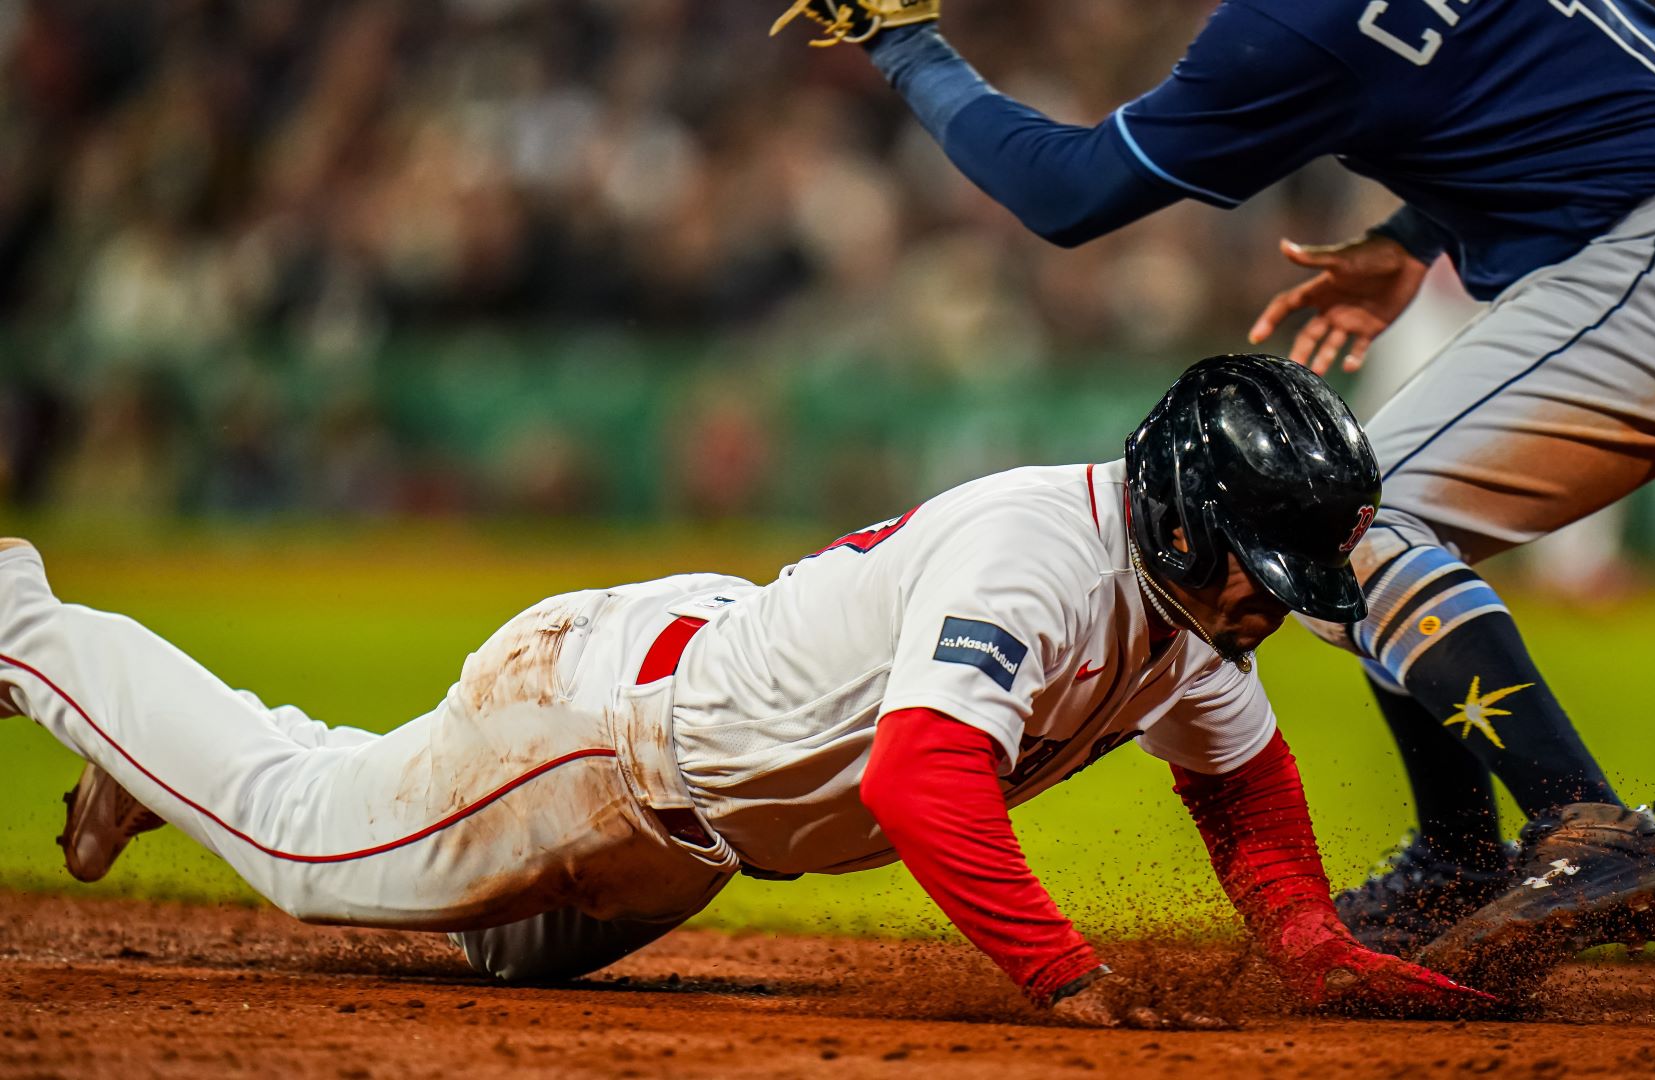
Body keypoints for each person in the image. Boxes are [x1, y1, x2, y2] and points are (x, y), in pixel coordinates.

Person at [769, 0, 1655, 993]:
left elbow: (1070, 193)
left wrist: (902, 40)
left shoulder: (1292, 23)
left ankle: (1585, 821)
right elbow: (1591, 95)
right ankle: (1459, 860)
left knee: (1355, 526)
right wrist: (1415, 234)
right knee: (1367, 525)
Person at [7, 356, 1491, 1027]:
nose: (1267, 602)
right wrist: (1068, 975)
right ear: (1177, 515)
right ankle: (26, 621)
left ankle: (154, 755)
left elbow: (1242, 780)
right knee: (305, 847)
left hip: (694, 809)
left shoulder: (1186, 610)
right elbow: (921, 782)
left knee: (498, 956)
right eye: (1254, 566)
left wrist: (1312, 947)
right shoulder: (1038, 559)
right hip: (599, 743)